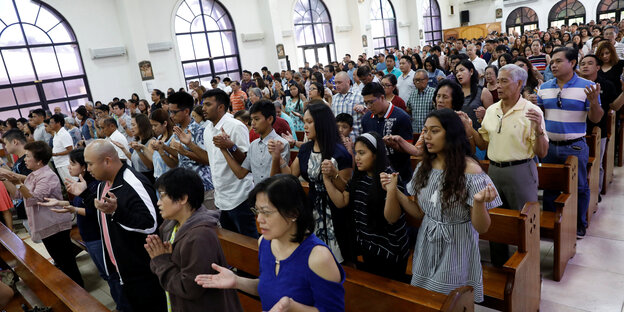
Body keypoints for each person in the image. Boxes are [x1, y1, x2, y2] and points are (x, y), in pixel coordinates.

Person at [382, 108, 502, 302]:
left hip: (456, 245)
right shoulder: (424, 166)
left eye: (435, 131)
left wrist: (479, 203)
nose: (427, 137)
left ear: (451, 133)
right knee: (425, 299)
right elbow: (420, 213)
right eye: (425, 130)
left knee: (447, 301)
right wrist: (394, 190)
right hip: (427, 241)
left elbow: (483, 227)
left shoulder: (471, 171)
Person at [195, 174, 345, 311]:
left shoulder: (318, 257)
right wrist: (236, 281)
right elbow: (267, 287)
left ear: (293, 213)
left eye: (266, 212)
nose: (259, 219)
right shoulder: (265, 243)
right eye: (257, 211)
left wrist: (293, 308)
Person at [66, 140, 166, 311]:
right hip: (119, 267)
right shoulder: (102, 185)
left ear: (107, 160)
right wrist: (84, 194)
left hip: (141, 270)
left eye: (90, 164)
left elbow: (150, 223)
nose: (88, 169)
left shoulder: (133, 182)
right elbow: (101, 210)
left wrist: (117, 212)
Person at [469, 64, 549, 266]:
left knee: (525, 224)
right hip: (494, 170)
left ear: (520, 84)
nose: (498, 86)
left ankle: (529, 270)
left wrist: (539, 128)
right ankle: (499, 267)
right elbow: (483, 143)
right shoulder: (492, 110)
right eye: (498, 80)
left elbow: (541, 152)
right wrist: (468, 128)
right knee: (495, 221)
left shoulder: (532, 111)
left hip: (521, 171)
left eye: (504, 81)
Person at [145, 168, 243, 312]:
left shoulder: (200, 236)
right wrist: (161, 260)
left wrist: (161, 261)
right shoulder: (170, 225)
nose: (158, 203)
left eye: (162, 196)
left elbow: (190, 288)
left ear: (183, 198)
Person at [40, 148, 127, 311]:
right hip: (88, 235)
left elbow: (95, 212)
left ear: (85, 167)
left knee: (111, 275)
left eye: (73, 163)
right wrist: (60, 203)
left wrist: (72, 209)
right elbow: (80, 205)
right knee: (105, 274)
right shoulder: (83, 184)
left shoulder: (94, 185)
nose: (69, 167)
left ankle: (123, 306)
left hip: (97, 236)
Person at [269, 102, 353, 262]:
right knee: (315, 257)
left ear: (321, 123)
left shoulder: (339, 152)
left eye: (309, 122)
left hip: (336, 212)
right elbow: (291, 176)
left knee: (338, 259)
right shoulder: (306, 148)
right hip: (313, 208)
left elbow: (347, 188)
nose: (305, 126)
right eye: (305, 122)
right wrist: (278, 157)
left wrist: (334, 174)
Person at [323, 132, 409, 281]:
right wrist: (326, 179)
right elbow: (341, 202)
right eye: (356, 153)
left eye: (362, 153)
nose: (357, 158)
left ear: (375, 155)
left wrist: (390, 190)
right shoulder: (359, 176)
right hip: (369, 246)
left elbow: (393, 218)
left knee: (389, 291)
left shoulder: (388, 177)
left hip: (390, 250)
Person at [537, 47, 604, 238]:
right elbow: (540, 115)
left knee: (579, 187)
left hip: (574, 145)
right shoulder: (545, 87)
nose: (554, 65)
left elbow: (596, 118)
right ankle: (552, 224)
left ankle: (578, 225)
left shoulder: (587, 86)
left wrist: (595, 103)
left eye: (558, 61)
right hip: (550, 145)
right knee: (549, 186)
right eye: (552, 62)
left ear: (572, 63)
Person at [0, 141, 84, 286]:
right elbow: (18, 195)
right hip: (46, 225)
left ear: (39, 161)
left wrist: (18, 182)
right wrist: (6, 179)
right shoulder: (33, 175)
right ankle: (72, 288)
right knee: (60, 261)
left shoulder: (47, 176)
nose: (25, 159)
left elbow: (34, 198)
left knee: (66, 262)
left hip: (55, 225)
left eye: (27, 156)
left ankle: (79, 292)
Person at [196, 89, 258, 238]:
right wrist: (189, 146)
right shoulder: (207, 129)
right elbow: (212, 160)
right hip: (221, 197)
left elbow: (246, 162)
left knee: (249, 241)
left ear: (221, 107)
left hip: (240, 196)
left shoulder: (235, 126)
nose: (203, 108)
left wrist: (230, 146)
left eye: (208, 104)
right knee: (233, 242)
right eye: (203, 104)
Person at [579, 54, 621, 195]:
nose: (585, 66)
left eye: (589, 63)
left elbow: (614, 106)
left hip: (597, 130)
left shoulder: (606, 84)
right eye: (582, 63)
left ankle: (594, 196)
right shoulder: (574, 85)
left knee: (597, 163)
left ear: (598, 67)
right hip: (577, 130)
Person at [167, 92, 215, 211]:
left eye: (174, 112)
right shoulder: (178, 130)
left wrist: (185, 151)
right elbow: (181, 157)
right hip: (187, 187)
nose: (171, 115)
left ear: (187, 111)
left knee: (211, 224)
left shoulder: (198, 130)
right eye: (170, 112)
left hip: (204, 186)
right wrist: (164, 148)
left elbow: (208, 160)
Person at [361, 82, 414, 183]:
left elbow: (409, 148)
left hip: (399, 175)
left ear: (382, 97)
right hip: (376, 174)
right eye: (366, 103)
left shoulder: (401, 117)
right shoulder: (366, 119)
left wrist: (396, 146)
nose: (368, 106)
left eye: (371, 102)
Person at [114, 114, 157, 184]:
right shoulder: (138, 141)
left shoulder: (151, 142)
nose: (131, 128)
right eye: (131, 125)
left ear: (142, 126)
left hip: (148, 179)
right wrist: (123, 149)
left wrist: (138, 150)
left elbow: (150, 166)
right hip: (139, 177)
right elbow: (135, 159)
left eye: (133, 125)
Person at [455, 60, 493, 131]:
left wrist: (484, 114)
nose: (458, 74)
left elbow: (492, 117)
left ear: (471, 71)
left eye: (461, 70)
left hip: (477, 135)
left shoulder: (483, 92)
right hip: (458, 134)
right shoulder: (455, 92)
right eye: (456, 72)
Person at [332, 71, 366, 137]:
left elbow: (368, 113)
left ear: (348, 82)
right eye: (335, 83)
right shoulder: (334, 98)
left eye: (339, 82)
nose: (337, 85)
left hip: (356, 137)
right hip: (339, 139)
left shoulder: (359, 96)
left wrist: (363, 108)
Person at [148, 109, 178, 180]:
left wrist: (160, 150)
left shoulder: (173, 138)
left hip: (169, 181)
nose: (153, 128)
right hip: (159, 180)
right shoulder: (159, 137)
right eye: (152, 126)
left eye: (155, 125)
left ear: (165, 123)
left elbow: (173, 164)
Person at [48, 114, 74, 182]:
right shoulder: (56, 134)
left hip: (66, 163)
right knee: (67, 185)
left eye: (52, 122)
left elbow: (70, 149)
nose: (50, 124)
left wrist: (55, 154)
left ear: (58, 123)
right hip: (59, 164)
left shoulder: (63, 134)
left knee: (72, 183)